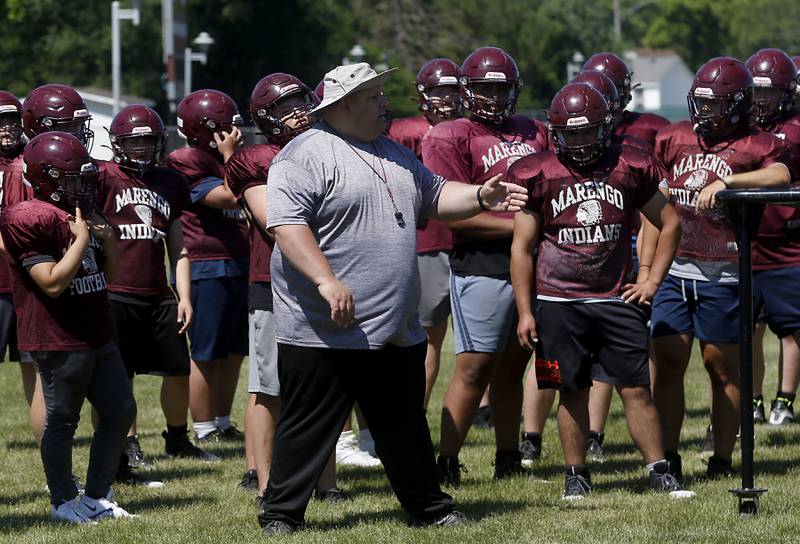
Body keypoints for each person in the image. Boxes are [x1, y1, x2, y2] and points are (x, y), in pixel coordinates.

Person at [258, 61, 528, 535]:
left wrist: (482, 196)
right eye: (374, 96)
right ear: (341, 106)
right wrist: (326, 280)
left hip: (392, 325)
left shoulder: (393, 153)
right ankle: (281, 514)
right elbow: (286, 226)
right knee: (307, 426)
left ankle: (429, 506)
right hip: (324, 327)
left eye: (383, 94)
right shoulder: (305, 154)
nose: (386, 103)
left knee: (404, 426)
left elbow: (437, 196)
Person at [510, 82, 689, 500]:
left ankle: (659, 470)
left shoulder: (629, 164)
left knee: (636, 387)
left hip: (614, 296)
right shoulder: (537, 171)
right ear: (555, 133)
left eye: (586, 131)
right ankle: (576, 473)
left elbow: (671, 223)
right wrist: (525, 310)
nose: (579, 141)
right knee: (570, 389)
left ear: (605, 127)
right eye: (570, 133)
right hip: (558, 301)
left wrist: (651, 280)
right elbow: (521, 247)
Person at [648, 57, 792, 479]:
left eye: (716, 104)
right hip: (677, 268)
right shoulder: (673, 139)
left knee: (721, 366)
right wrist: (646, 267)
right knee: (669, 360)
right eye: (702, 102)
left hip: (727, 269)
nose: (705, 112)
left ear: (738, 104)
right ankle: (668, 457)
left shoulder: (759, 143)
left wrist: (728, 183)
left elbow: (781, 174)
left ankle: (723, 460)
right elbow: (652, 205)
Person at [422, 46, 549, 486]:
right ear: (467, 90)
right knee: (476, 367)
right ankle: (447, 461)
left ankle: (509, 456)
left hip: (536, 265)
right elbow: (449, 209)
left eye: (502, 88)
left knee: (517, 365)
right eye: (485, 88)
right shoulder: (450, 134)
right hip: (483, 264)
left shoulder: (534, 130)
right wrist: (523, 227)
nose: (494, 97)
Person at [0, 132, 137, 523]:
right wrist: (80, 241)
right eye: (74, 179)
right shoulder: (29, 216)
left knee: (121, 410)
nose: (84, 187)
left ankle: (95, 496)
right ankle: (63, 501)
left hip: (95, 330)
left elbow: (110, 273)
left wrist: (106, 240)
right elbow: (52, 282)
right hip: (57, 335)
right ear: (48, 179)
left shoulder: (81, 214)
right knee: (62, 419)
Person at [225, 72, 341, 501]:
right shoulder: (254, 159)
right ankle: (268, 482)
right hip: (272, 281)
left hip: (324, 279)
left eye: (298, 100)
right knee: (269, 387)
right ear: (264, 117)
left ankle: (326, 483)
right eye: (281, 106)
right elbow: (276, 223)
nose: (294, 110)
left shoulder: (327, 146)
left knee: (324, 388)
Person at [100, 104, 217, 483]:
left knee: (178, 369)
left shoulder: (169, 180)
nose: (142, 149)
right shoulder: (104, 177)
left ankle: (177, 436)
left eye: (149, 141)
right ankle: (127, 443)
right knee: (120, 375)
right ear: (118, 144)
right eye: (134, 143)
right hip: (116, 290)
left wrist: (183, 296)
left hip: (158, 290)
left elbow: (179, 246)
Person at [165, 90, 249, 444]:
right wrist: (232, 157)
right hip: (205, 263)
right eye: (227, 124)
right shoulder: (186, 159)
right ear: (207, 128)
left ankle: (222, 420)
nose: (235, 130)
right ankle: (203, 426)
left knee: (233, 352)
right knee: (206, 352)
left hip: (238, 260)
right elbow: (228, 196)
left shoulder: (221, 156)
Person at [388, 57, 462, 409]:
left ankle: (491, 410)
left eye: (452, 91)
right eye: (439, 92)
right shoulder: (404, 132)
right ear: (422, 95)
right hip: (428, 242)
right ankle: (412, 414)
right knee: (426, 336)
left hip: (480, 243)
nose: (446, 100)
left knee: (492, 341)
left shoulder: (476, 130)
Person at [745, 48, 800, 426]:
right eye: (757, 92)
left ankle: (785, 398)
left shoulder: (794, 127)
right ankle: (752, 400)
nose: (762, 101)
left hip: (788, 242)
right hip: (746, 241)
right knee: (747, 329)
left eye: (769, 92)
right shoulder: (743, 127)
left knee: (793, 329)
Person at [0, 90, 43, 449]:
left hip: (30, 280)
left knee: (37, 365)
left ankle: (49, 445)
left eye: (12, 120)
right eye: (0, 121)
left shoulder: (35, 160)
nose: (7, 128)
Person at [583, 52, 670, 146]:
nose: (605, 100)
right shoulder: (573, 136)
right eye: (599, 93)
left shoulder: (653, 127)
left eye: (612, 91)